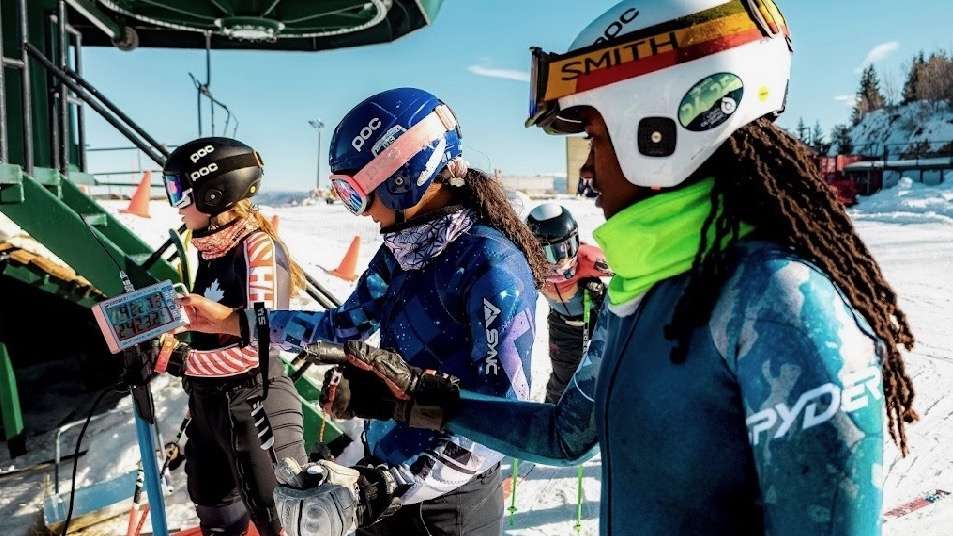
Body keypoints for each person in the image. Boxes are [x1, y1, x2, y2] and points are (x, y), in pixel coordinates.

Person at [265, 1, 920, 535]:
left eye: (597, 140)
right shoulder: (640, 288)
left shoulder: (778, 307)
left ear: (663, 130)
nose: (585, 170)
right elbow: (563, 433)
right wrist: (425, 401)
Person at [180, 88, 546, 536]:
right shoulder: (401, 251)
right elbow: (342, 325)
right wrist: (233, 321)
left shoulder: (490, 266)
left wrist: (393, 483)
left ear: (402, 174)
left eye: (356, 194)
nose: (361, 213)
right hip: (385, 482)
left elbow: (502, 415)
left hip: (446, 505)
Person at [159, 137, 308, 536]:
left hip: (255, 404)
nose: (175, 203)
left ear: (212, 193)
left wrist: (176, 360)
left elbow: (258, 349)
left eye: (178, 191)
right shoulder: (207, 249)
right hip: (210, 407)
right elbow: (216, 328)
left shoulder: (257, 249)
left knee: (281, 519)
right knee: (213, 508)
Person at [526, 203, 610, 403]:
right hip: (562, 326)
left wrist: (603, 293)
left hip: (596, 320)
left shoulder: (589, 258)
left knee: (606, 371)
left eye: (568, 247)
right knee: (562, 380)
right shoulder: (528, 267)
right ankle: (550, 416)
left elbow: (633, 272)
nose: (561, 259)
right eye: (549, 252)